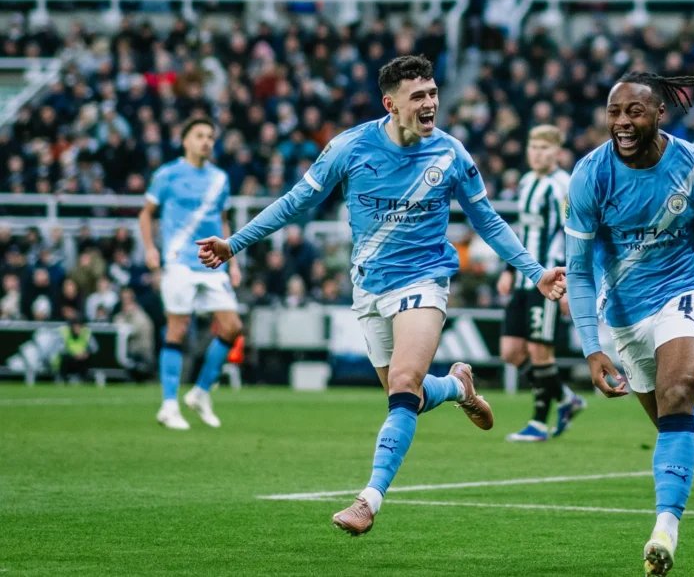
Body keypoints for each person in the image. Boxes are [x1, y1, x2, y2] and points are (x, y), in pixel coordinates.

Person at [195, 55, 566, 536]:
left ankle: (368, 499)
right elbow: (294, 202)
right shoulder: (349, 147)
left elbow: (488, 221)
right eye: (418, 96)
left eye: (433, 93)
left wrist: (535, 273)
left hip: (424, 280)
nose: (430, 103)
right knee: (405, 395)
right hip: (369, 286)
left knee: (405, 384)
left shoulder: (451, 154)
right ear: (391, 104)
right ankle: (457, 388)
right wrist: (234, 244)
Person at [564, 71, 694, 576]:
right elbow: (578, 271)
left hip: (687, 290)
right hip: (624, 312)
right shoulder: (590, 175)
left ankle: (664, 531)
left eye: (635, 111)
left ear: (659, 113)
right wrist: (592, 347)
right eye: (614, 112)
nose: (622, 122)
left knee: (677, 393)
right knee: (673, 419)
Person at [139, 117, 243, 430]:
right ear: (185, 140)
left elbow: (222, 220)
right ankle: (169, 405)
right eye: (199, 135)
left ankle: (200, 392)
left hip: (212, 262)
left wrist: (233, 261)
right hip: (179, 261)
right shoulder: (167, 174)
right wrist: (149, 248)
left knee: (232, 327)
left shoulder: (219, 178)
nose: (206, 141)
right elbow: (146, 214)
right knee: (178, 328)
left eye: (210, 136)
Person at [497, 124, 585, 442]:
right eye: (533, 147)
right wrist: (509, 270)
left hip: (549, 280)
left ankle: (537, 423)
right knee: (510, 351)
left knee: (539, 351)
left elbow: (575, 234)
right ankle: (566, 397)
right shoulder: (526, 182)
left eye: (544, 148)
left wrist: (569, 283)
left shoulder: (563, 187)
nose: (537, 153)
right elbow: (521, 232)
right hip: (524, 279)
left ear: (557, 153)